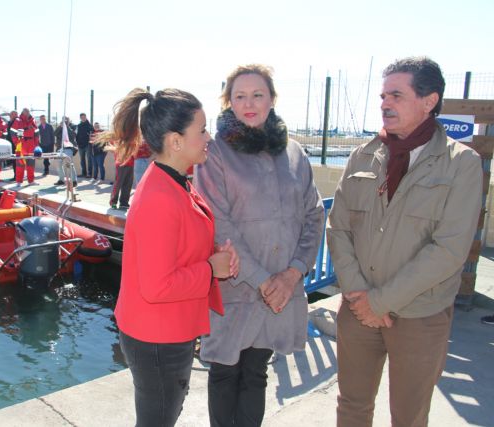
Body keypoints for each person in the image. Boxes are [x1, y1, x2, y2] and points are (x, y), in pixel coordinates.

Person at [327, 57, 483, 427]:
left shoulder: (461, 164)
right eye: (383, 95)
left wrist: (379, 302)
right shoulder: (362, 156)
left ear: (429, 101)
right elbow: (338, 228)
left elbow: (449, 249)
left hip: (419, 316)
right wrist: (358, 295)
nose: (384, 103)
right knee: (352, 406)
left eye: (396, 95)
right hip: (357, 307)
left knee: (409, 416)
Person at [195, 64, 324, 427]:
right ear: (229, 102)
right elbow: (218, 222)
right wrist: (265, 279)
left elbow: (314, 216)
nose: (249, 103)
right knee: (224, 374)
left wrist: (292, 274)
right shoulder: (215, 153)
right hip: (235, 289)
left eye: (257, 94)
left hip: (282, 290)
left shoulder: (295, 153)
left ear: (272, 99)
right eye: (240, 96)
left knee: (256, 374)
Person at [112, 87, 239, 427]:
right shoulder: (160, 196)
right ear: (176, 141)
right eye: (201, 129)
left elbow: (176, 247)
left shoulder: (174, 181)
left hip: (166, 330)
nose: (208, 136)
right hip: (157, 336)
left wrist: (212, 258)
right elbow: (157, 286)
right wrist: (211, 269)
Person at [10, 108, 39, 186]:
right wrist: (17, 143)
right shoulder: (18, 121)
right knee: (20, 164)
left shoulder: (33, 121)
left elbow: (36, 133)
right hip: (21, 146)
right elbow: (13, 133)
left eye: (28, 111)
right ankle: (19, 182)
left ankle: (31, 181)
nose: (27, 113)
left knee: (31, 165)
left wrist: (36, 145)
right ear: (22, 112)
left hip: (31, 146)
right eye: (25, 112)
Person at [109, 140, 134, 210]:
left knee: (128, 184)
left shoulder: (133, 136)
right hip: (121, 163)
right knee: (118, 183)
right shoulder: (118, 135)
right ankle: (113, 202)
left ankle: (124, 202)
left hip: (131, 163)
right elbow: (112, 146)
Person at [53, 116, 78, 186]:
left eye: (66, 120)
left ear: (69, 120)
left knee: (70, 165)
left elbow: (73, 135)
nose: (65, 121)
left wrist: (67, 127)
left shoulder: (73, 126)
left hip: (68, 149)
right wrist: (60, 127)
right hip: (60, 149)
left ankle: (74, 181)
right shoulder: (60, 126)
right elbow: (54, 134)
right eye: (64, 120)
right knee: (59, 165)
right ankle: (61, 180)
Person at [76, 113, 94, 178]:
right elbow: (76, 135)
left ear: (86, 117)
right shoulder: (78, 125)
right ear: (80, 118)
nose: (83, 118)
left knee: (89, 159)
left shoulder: (89, 125)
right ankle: (83, 173)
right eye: (82, 117)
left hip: (88, 145)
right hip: (80, 145)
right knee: (82, 160)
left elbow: (92, 134)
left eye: (84, 117)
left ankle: (89, 174)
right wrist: (77, 143)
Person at [5, 110, 19, 180]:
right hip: (10, 144)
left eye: (16, 114)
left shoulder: (17, 122)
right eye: (14, 114)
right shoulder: (9, 123)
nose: (16, 115)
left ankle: (17, 176)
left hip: (16, 144)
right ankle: (15, 175)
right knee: (13, 161)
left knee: (17, 161)